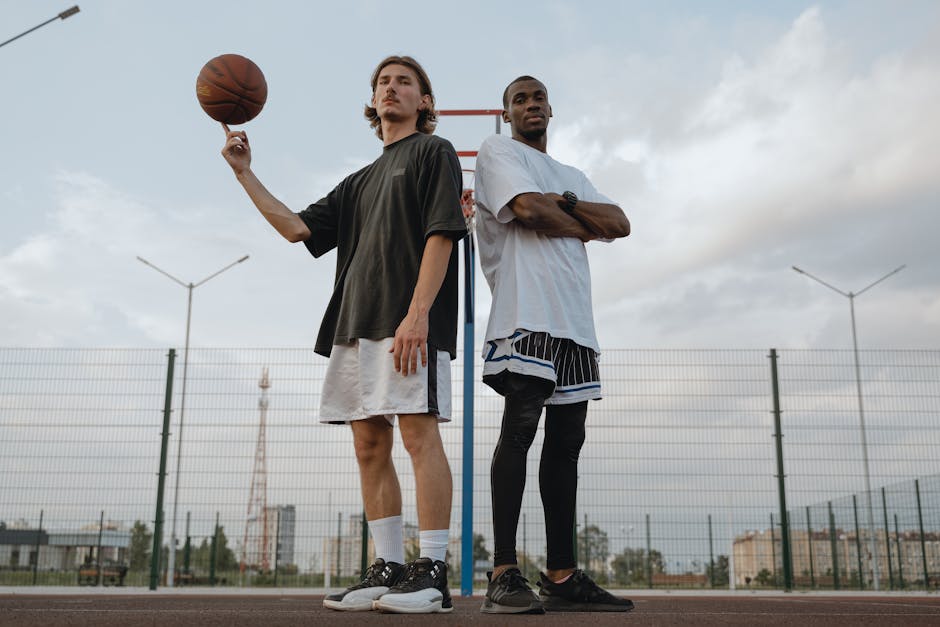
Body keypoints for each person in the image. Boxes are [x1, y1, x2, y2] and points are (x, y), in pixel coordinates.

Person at [221, 55, 466, 614]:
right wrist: (243, 171)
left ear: (425, 102)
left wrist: (418, 314)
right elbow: (295, 228)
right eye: (384, 82)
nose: (392, 88)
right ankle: (387, 569)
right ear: (372, 100)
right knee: (368, 444)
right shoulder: (358, 182)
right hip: (355, 323)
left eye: (405, 82)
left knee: (419, 435)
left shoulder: (434, 152)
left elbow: (442, 234)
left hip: (408, 322)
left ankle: (431, 573)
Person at [473, 76, 633, 614]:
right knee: (520, 430)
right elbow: (526, 210)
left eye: (538, 97)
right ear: (507, 112)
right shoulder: (499, 151)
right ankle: (502, 570)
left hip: (575, 322)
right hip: (528, 313)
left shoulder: (571, 175)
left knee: (567, 447)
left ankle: (561, 575)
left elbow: (621, 223)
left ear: (551, 108)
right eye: (520, 99)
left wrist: (564, 203)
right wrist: (582, 221)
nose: (531, 104)